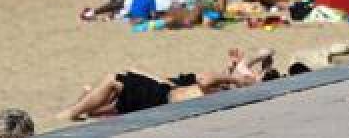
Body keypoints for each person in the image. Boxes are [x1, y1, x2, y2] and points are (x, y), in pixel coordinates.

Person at [57, 49, 275, 121]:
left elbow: (204, 79)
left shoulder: (237, 87)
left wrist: (235, 78)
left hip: (163, 99)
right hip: (165, 95)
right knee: (129, 77)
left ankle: (73, 111)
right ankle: (88, 106)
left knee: (114, 80)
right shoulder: (240, 85)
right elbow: (265, 50)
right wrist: (256, 64)